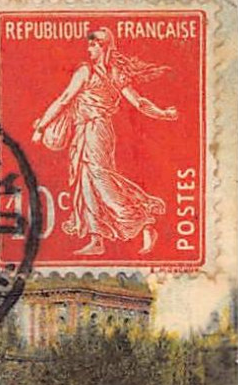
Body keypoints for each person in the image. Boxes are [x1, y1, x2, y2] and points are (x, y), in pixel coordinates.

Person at [33, 27, 177, 256]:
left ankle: (142, 221)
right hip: (85, 130)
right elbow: (137, 102)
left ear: (103, 46)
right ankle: (96, 238)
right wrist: (163, 114)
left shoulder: (92, 72)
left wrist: (41, 127)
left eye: (93, 45)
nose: (89, 49)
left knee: (101, 179)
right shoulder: (108, 72)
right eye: (89, 45)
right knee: (86, 182)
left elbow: (64, 100)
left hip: (96, 130)